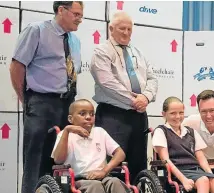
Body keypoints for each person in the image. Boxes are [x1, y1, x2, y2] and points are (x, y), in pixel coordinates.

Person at [9, 1, 83, 192]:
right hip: (41, 103)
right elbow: (17, 66)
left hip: (67, 104)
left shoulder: (74, 40)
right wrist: (27, 100)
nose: (80, 19)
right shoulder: (36, 31)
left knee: (62, 160)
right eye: (76, 14)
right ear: (61, 10)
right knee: (36, 160)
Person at [90, 11, 158, 180]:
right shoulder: (102, 52)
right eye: (122, 29)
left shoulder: (138, 52)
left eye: (129, 29)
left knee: (139, 163)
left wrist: (146, 98)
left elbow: (152, 78)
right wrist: (134, 100)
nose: (126, 33)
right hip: (113, 114)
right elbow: (107, 83)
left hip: (139, 114)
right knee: (114, 165)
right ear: (111, 28)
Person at [51, 99, 128, 193]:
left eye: (92, 114)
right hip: (77, 179)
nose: (88, 117)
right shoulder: (65, 135)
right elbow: (58, 160)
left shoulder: (100, 132)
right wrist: (67, 130)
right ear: (70, 119)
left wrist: (104, 171)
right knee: (95, 186)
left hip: (102, 176)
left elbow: (120, 153)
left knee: (115, 182)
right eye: (82, 114)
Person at [152, 97, 214, 193]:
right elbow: (166, 160)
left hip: (196, 169)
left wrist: (210, 174)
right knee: (203, 180)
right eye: (173, 113)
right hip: (176, 171)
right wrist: (183, 180)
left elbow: (201, 158)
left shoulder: (191, 132)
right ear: (164, 114)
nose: (177, 117)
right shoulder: (161, 131)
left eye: (181, 113)